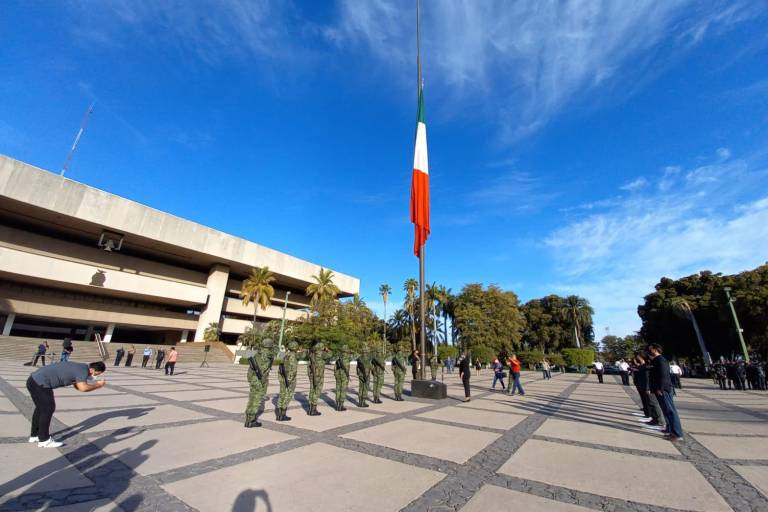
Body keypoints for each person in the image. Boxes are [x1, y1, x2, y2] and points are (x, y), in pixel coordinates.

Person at [27, 361, 107, 447]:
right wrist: (98, 385)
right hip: (41, 383)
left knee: (40, 409)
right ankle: (44, 440)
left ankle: (34, 436)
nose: (96, 376)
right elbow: (83, 388)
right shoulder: (83, 371)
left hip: (33, 381)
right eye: (97, 374)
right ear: (92, 370)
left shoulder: (80, 367)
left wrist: (89, 383)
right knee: (48, 409)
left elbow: (78, 386)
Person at [648, 343, 683, 441]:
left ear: (655, 350)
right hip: (659, 389)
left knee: (670, 411)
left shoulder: (661, 360)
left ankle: (677, 433)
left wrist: (661, 388)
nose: (649, 351)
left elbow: (664, 375)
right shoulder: (656, 360)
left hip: (663, 389)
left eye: (650, 349)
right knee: (666, 411)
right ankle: (670, 429)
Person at [244, 339, 274, 428]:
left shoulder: (257, 353)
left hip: (253, 378)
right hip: (260, 379)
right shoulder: (269, 354)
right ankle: (252, 421)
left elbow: (251, 367)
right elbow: (275, 353)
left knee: (252, 398)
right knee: (257, 399)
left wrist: (250, 378)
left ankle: (248, 418)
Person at [633, 353, 665, 429]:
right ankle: (654, 419)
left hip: (649, 388)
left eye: (639, 358)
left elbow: (648, 378)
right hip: (644, 387)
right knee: (650, 403)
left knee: (654, 403)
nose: (637, 359)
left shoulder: (648, 366)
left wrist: (648, 388)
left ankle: (660, 420)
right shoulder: (644, 366)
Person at [277, 341, 300, 420]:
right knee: (288, 395)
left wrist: (281, 378)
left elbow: (280, 367)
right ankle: (282, 415)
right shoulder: (293, 356)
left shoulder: (286, 355)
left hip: (283, 378)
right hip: (289, 379)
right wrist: (290, 379)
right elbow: (293, 369)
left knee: (282, 395)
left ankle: (279, 414)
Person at [307, 342, 325, 415]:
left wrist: (310, 375)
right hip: (318, 375)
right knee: (317, 390)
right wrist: (327, 350)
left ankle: (310, 408)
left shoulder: (312, 354)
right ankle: (313, 410)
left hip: (312, 375)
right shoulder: (322, 354)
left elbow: (308, 366)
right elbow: (330, 354)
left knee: (312, 390)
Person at [333, 344, 351, 411]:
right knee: (343, 390)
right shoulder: (348, 357)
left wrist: (335, 375)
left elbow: (335, 368)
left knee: (338, 389)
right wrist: (350, 351)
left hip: (338, 375)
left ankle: (337, 405)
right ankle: (341, 405)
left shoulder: (338, 358)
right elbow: (357, 355)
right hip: (344, 375)